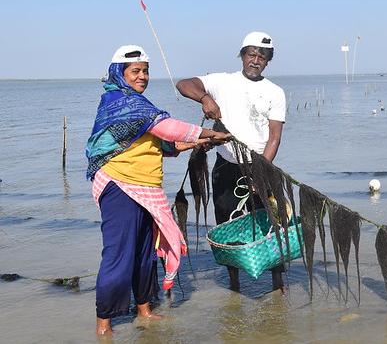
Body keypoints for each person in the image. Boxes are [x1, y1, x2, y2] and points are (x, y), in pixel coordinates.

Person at [86, 45, 230, 336]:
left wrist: (204, 142)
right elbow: (167, 128)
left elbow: (168, 144)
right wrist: (208, 132)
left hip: (147, 190)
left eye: (146, 71)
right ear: (120, 73)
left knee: (145, 253)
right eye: (135, 71)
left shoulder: (140, 106)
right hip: (120, 185)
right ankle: (104, 322)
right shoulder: (119, 102)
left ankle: (144, 310)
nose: (143, 76)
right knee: (118, 254)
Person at [176, 31, 287, 293]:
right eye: (251, 54)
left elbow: (274, 138)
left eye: (262, 56)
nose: (255, 60)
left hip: (261, 165)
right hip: (226, 166)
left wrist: (260, 174)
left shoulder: (275, 92)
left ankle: (277, 284)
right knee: (227, 224)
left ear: (268, 61)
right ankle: (234, 283)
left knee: (270, 223)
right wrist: (205, 98)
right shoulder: (221, 82)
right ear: (242, 56)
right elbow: (183, 84)